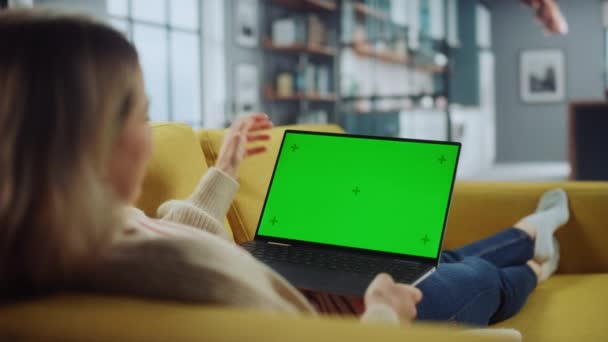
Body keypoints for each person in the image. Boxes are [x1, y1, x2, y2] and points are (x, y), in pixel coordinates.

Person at [0, 11, 569, 328]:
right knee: (477, 280)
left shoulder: (86, 232)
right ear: (88, 138)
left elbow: (183, 238)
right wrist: (381, 315)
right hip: (346, 314)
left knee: (436, 259)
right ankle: (538, 263)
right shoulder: (140, 275)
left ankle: (525, 232)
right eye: (141, 116)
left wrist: (222, 169)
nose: (150, 139)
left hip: (325, 291)